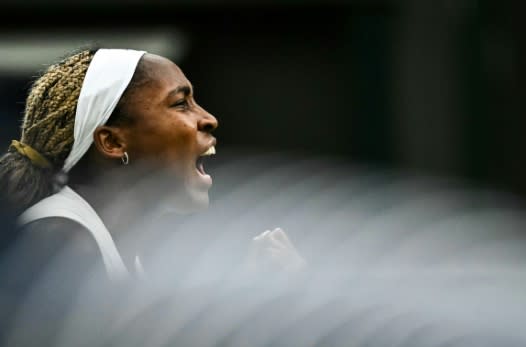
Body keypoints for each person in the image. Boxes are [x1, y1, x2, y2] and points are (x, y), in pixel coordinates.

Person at [0, 47, 305, 283]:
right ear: (113, 142)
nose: (209, 119)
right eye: (180, 103)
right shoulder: (61, 244)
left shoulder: (125, 251)